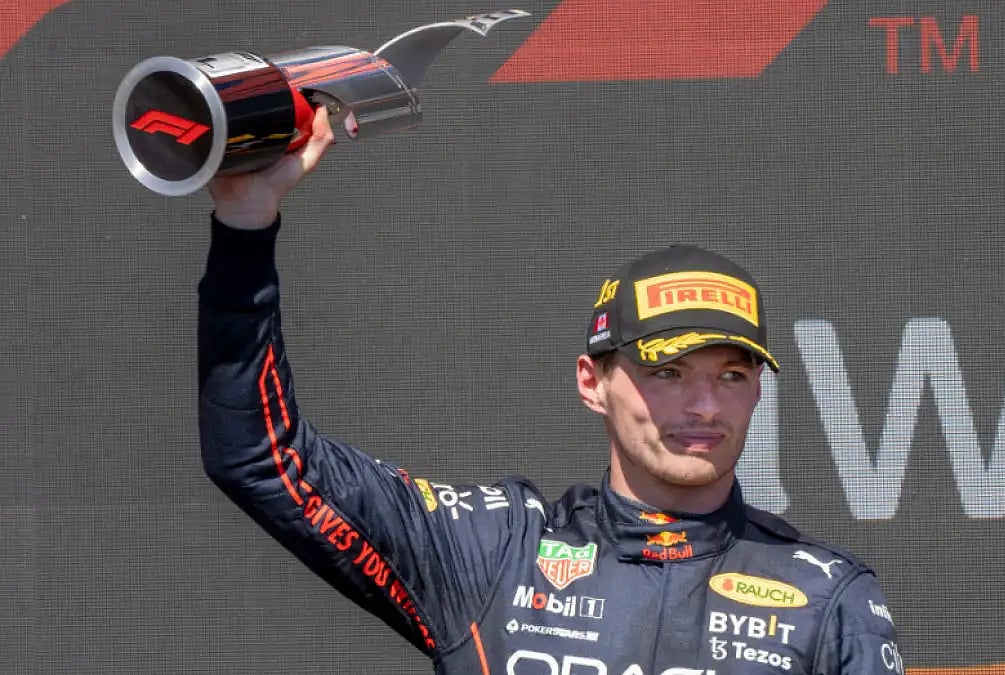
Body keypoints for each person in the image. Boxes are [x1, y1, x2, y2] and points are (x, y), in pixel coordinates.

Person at [198, 106, 903, 674]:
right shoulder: (497, 551)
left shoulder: (825, 597)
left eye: (732, 375)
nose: (704, 407)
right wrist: (245, 223)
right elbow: (263, 458)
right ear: (592, 382)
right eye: (666, 373)